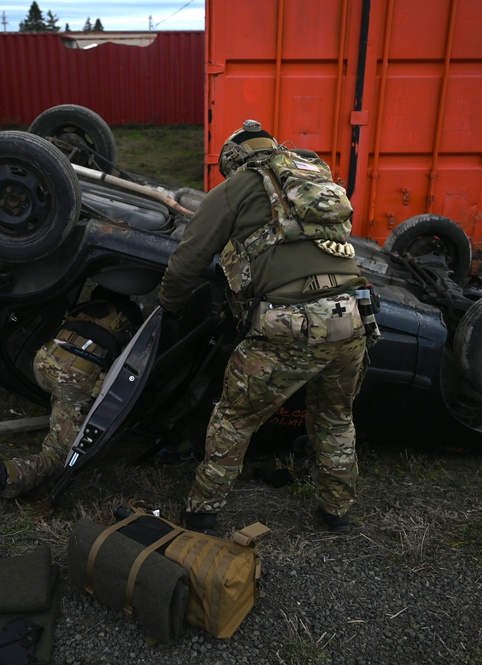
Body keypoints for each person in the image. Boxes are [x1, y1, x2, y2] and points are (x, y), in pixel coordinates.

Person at [158, 120, 375, 535]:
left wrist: (168, 307)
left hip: (289, 327)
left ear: (233, 160)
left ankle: (202, 512)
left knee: (235, 418)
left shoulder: (234, 189)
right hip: (352, 319)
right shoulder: (314, 176)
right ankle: (337, 513)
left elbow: (187, 261)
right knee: (335, 418)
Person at [0, 286, 143, 517]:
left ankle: (60, 408)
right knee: (59, 455)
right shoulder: (128, 316)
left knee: (62, 395)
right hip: (73, 376)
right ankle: (5, 475)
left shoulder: (86, 308)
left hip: (42, 362)